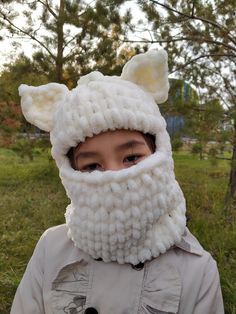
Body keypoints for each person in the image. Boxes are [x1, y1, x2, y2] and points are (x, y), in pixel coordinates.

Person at [11, 49, 224, 314]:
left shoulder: (197, 270)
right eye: (92, 165)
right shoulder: (50, 250)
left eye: (132, 157)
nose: (114, 176)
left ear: (160, 152)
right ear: (69, 171)